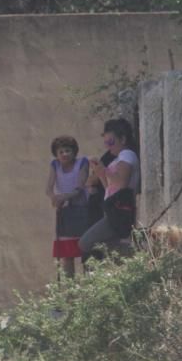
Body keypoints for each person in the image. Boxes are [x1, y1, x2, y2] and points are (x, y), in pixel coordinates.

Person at [80, 118, 139, 257]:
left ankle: (132, 254)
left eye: (111, 142)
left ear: (123, 139)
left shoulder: (126, 154)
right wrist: (101, 172)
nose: (108, 146)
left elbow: (121, 183)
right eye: (106, 143)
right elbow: (110, 188)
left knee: (85, 243)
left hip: (119, 211)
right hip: (113, 209)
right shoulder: (119, 157)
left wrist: (104, 170)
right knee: (104, 248)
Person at [45, 136, 89, 278]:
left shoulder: (82, 163)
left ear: (74, 152)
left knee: (86, 252)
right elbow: (49, 188)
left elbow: (80, 188)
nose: (64, 154)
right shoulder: (55, 165)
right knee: (67, 255)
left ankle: (90, 288)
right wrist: (54, 198)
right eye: (61, 151)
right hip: (65, 213)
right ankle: (71, 294)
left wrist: (64, 197)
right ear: (56, 154)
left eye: (68, 151)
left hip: (82, 211)